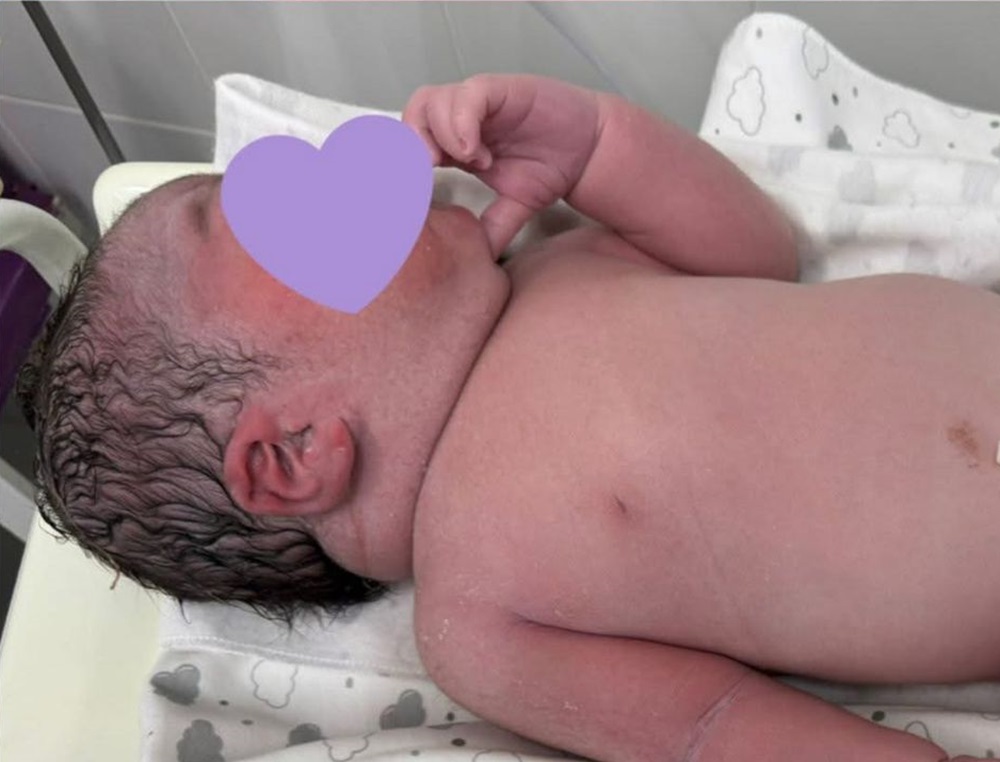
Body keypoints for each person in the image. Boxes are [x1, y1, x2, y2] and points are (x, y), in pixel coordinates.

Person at [18, 74, 994, 761]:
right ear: (293, 455)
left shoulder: (559, 266)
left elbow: (756, 252)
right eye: (281, 223)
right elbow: (707, 728)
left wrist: (593, 144)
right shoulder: (480, 624)